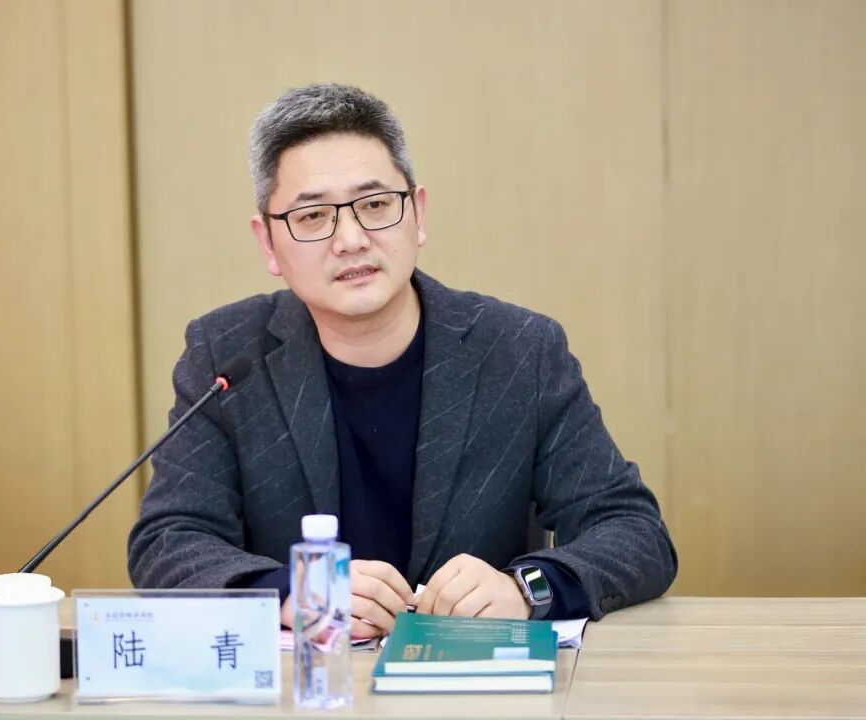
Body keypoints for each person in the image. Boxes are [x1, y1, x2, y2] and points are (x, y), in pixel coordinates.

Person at [128, 83, 676, 637]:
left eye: (374, 206)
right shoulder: (226, 354)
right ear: (268, 243)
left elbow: (634, 530)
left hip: (470, 675)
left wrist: (525, 588)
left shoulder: (519, 351)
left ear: (417, 213)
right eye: (312, 216)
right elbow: (168, 540)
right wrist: (293, 594)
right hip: (308, 681)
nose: (350, 239)